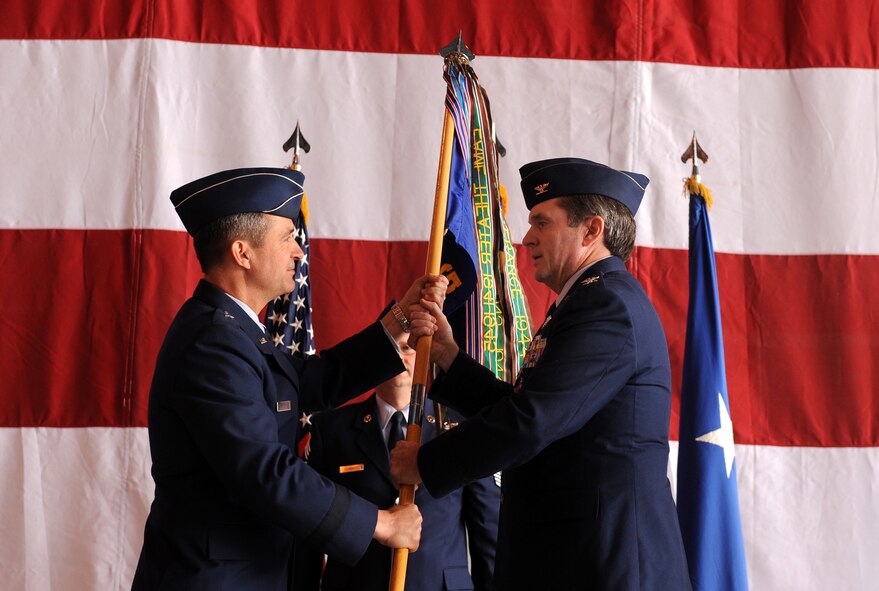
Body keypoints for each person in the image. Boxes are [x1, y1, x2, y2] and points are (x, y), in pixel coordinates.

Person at [132, 167, 443, 590]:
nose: (298, 252)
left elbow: (308, 381)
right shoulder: (212, 342)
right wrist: (379, 522)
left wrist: (399, 321)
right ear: (243, 253)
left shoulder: (233, 331)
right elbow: (265, 470)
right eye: (286, 238)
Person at [391, 158, 692, 590]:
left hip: (604, 565)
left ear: (591, 231)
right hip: (576, 558)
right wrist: (448, 355)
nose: (527, 237)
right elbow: (529, 410)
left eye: (541, 223)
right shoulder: (587, 302)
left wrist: (425, 463)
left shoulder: (606, 307)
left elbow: (531, 422)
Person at [293, 305, 500, 591]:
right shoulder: (332, 429)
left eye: (412, 346)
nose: (402, 355)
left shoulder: (459, 426)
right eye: (394, 346)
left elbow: (487, 527)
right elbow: (311, 526)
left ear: (426, 356)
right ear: (376, 355)